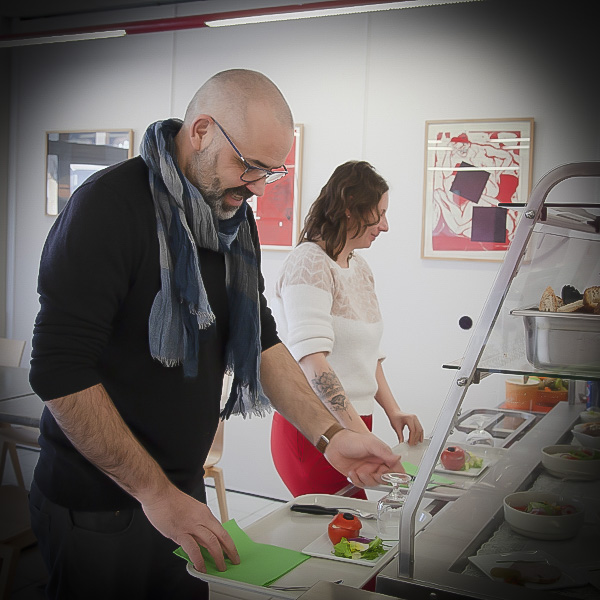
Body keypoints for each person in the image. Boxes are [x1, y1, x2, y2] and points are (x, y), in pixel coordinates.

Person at [28, 71, 404, 600]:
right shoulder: (109, 207)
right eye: (249, 166)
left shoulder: (231, 219)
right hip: (102, 501)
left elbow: (264, 340)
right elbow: (59, 371)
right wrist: (155, 493)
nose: (255, 187)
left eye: (269, 174)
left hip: (181, 491)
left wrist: (332, 436)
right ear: (201, 130)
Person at [270, 160, 424, 499]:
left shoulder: (360, 267)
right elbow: (313, 363)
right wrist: (358, 434)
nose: (385, 225)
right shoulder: (308, 263)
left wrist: (392, 410)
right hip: (319, 429)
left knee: (353, 537)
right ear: (351, 209)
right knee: (339, 535)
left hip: (355, 424)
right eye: (380, 213)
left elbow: (370, 355)